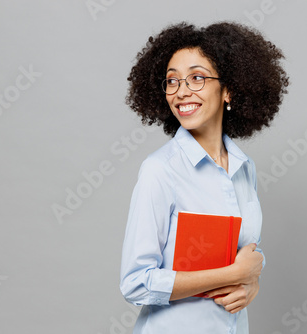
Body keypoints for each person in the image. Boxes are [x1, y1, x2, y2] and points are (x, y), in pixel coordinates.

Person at [120, 22, 289, 333]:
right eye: (172, 81)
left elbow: (246, 251)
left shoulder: (243, 167)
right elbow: (136, 283)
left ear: (228, 89)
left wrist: (251, 281)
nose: (182, 91)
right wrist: (231, 275)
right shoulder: (160, 170)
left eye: (197, 77)